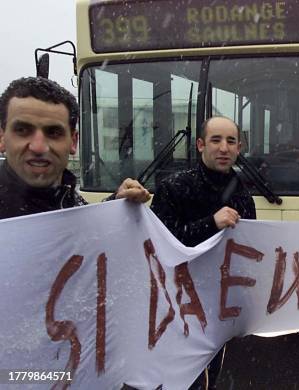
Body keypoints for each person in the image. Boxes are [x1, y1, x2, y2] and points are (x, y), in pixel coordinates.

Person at [150, 116, 256, 390]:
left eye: (230, 141)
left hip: (221, 307)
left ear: (239, 147)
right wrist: (211, 223)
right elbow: (160, 248)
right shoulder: (173, 188)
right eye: (215, 140)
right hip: (178, 307)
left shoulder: (243, 194)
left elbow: (250, 251)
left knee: (215, 372)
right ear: (200, 145)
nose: (223, 148)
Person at [0, 77, 150, 220]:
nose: (39, 147)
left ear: (73, 141)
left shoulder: (67, 196)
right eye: (22, 130)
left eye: (53, 133)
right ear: (2, 138)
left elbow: (84, 232)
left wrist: (116, 205)